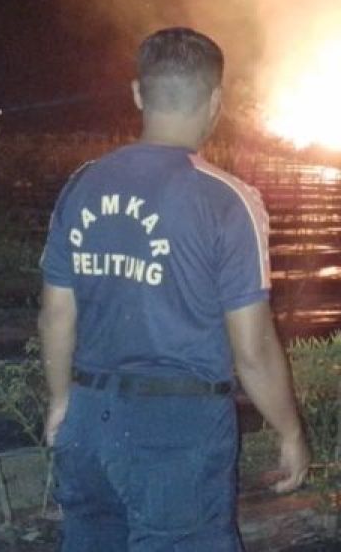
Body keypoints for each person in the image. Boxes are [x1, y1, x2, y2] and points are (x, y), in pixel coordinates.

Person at [38, 27, 310, 551]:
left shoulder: (83, 183)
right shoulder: (228, 201)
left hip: (90, 422)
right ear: (215, 102)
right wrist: (290, 431)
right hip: (177, 433)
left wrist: (59, 401)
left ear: (138, 93)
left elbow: (55, 317)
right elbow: (251, 350)